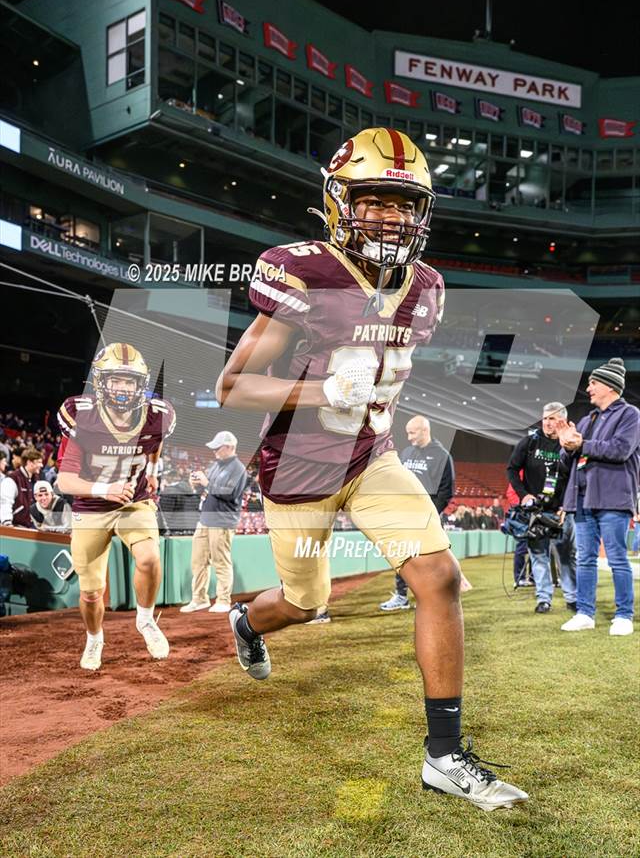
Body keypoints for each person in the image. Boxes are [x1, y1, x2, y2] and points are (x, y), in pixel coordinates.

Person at [216, 127, 527, 810]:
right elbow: (232, 387)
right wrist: (317, 391)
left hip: (371, 455)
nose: (389, 216)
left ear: (421, 213)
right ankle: (247, 622)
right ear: (339, 202)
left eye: (402, 203)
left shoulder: (427, 287)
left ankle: (443, 754)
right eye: (374, 200)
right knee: (307, 602)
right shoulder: (303, 272)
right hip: (298, 466)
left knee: (438, 576)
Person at [56, 342, 176, 671]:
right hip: (91, 506)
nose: (123, 388)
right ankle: (94, 638)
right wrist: (104, 489)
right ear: (101, 382)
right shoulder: (82, 416)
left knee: (150, 557)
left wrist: (152, 472)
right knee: (92, 593)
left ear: (141, 385)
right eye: (116, 380)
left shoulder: (157, 416)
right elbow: (64, 482)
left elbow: (156, 442)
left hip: (132, 502)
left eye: (130, 381)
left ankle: (146, 620)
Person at [558, 358, 639, 635]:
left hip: (613, 496)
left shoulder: (630, 415)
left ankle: (624, 615)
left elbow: (620, 449)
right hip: (582, 496)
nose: (589, 388)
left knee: (617, 557)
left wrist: (581, 444)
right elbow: (567, 460)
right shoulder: (587, 419)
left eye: (593, 383)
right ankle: (585, 613)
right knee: (585, 558)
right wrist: (567, 446)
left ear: (609, 386)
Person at [380, 416, 471, 611]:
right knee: (402, 555)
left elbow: (446, 491)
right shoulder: (406, 453)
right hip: (404, 515)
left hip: (428, 517)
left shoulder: (442, 455)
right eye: (407, 432)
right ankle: (401, 595)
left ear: (424, 431)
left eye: (412, 432)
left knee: (433, 557)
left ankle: (438, 594)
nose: (409, 436)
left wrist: (430, 513)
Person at [507, 402, 576, 613]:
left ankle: (572, 598)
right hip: (536, 511)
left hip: (561, 511)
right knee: (538, 555)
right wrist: (523, 494)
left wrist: (567, 505)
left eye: (552, 418)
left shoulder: (570, 445)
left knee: (566, 555)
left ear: (562, 421)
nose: (547, 422)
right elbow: (511, 469)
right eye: (545, 418)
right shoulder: (529, 442)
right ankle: (543, 598)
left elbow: (576, 476)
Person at [180, 431, 247, 615]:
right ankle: (199, 599)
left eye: (218, 447)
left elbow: (230, 493)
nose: (215, 451)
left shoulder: (238, 468)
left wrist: (207, 482)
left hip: (223, 521)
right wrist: (197, 484)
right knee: (198, 561)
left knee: (221, 562)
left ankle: (224, 600)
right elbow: (208, 489)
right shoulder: (215, 465)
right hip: (206, 519)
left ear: (230, 447)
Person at [0, 448, 44, 528]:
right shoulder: (12, 479)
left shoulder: (37, 479)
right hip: (16, 526)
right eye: (39, 462)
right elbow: (5, 502)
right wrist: (7, 522)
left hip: (32, 526)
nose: (42, 465)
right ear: (29, 462)